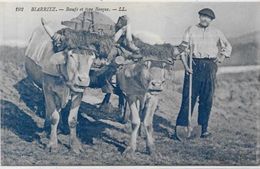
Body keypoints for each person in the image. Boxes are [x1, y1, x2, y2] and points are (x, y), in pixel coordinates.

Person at [175, 8, 232, 139]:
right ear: (199, 17)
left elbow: (228, 46)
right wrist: (185, 66)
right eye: (203, 16)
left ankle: (203, 129)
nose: (205, 19)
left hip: (210, 66)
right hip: (193, 65)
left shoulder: (216, 32)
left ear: (211, 20)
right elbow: (183, 49)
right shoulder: (191, 30)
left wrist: (222, 57)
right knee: (188, 97)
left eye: (208, 17)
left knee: (207, 99)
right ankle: (181, 128)